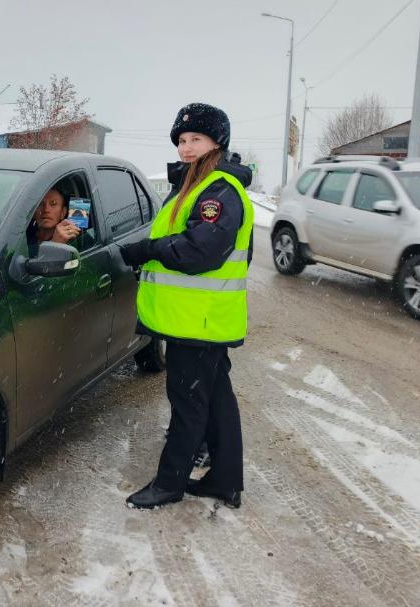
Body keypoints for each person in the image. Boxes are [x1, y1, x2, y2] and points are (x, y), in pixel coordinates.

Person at [119, 102, 254, 510]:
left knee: (188, 405)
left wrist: (147, 249)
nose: (186, 147)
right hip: (201, 319)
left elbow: (200, 252)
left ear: (217, 142)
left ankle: (169, 483)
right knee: (215, 401)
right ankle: (225, 480)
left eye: (195, 138)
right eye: (181, 140)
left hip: (198, 322)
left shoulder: (219, 191)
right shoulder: (197, 186)